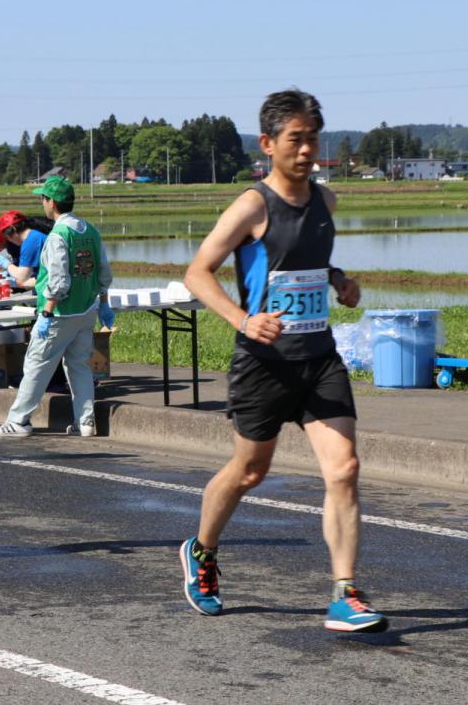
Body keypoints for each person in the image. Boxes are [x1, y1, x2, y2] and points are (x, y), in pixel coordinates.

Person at [179, 89, 382, 632]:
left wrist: (338, 281)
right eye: (296, 139)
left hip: (319, 358)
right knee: (249, 472)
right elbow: (198, 273)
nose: (307, 149)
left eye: (313, 137)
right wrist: (244, 321)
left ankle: (345, 592)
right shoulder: (252, 205)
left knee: (345, 469)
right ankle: (201, 551)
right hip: (263, 363)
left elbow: (308, 260)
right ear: (268, 143)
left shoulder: (326, 201)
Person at [0, 177, 113, 439]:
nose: (42, 203)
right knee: (79, 365)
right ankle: (85, 422)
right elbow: (103, 272)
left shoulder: (58, 235)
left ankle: (19, 421)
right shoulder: (90, 230)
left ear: (51, 202)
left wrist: (46, 312)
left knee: (36, 364)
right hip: (86, 310)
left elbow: (58, 281)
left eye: (43, 198)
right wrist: (103, 304)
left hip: (59, 313)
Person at [0, 209, 48, 290]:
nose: (10, 241)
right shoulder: (35, 235)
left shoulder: (30, 242)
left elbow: (22, 276)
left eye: (7, 237)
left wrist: (4, 263)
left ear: (13, 229)